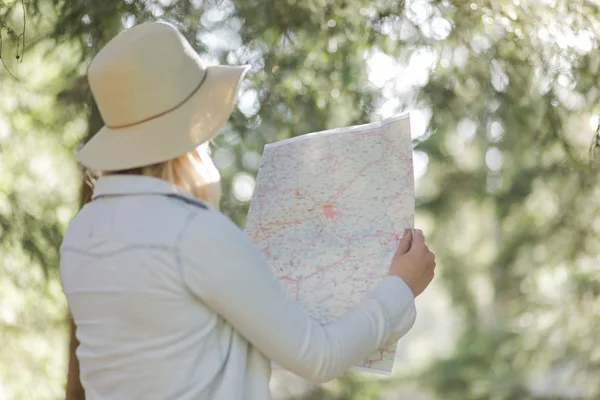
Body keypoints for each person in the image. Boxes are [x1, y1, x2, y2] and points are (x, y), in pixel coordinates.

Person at [59, 21, 437, 400]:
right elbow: (320, 356)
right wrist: (400, 287)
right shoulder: (193, 232)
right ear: (193, 127)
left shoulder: (80, 234)